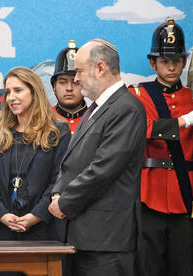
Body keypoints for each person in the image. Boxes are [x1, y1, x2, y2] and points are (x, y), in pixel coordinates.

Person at [128, 18, 193, 276]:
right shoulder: (138, 95)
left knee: (184, 268)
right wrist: (184, 121)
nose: (171, 67)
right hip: (149, 195)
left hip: (187, 196)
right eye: (164, 61)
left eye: (177, 61)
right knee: (149, 269)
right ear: (153, 63)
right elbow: (142, 131)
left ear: (184, 62)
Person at [48, 38, 146, 276]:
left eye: (79, 71)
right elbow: (74, 159)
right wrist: (58, 191)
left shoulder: (126, 108)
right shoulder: (99, 108)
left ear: (100, 68)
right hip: (85, 235)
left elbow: (104, 168)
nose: (77, 79)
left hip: (107, 240)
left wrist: (64, 202)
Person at [0, 67, 71, 276]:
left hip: (44, 230)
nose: (11, 97)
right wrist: (3, 214)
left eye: (18, 90)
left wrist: (36, 215)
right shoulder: (2, 133)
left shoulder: (58, 132)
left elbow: (58, 180)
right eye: (7, 92)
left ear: (33, 93)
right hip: (5, 232)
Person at [51, 40, 87, 135]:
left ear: (86, 85)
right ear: (54, 86)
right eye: (62, 82)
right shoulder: (42, 119)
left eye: (76, 82)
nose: (69, 88)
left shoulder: (97, 118)